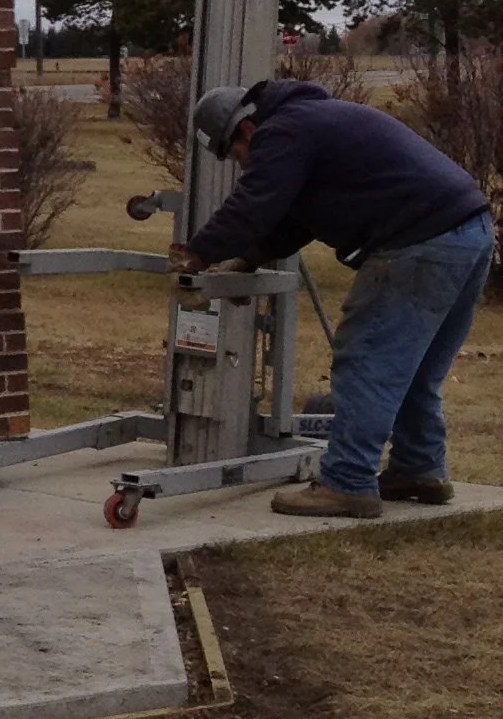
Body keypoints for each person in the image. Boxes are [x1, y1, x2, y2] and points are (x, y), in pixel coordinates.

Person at [173, 76, 491, 518]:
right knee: (414, 367)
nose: (243, 164)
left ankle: (347, 482)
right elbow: (296, 217)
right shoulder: (313, 122)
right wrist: (248, 258)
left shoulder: (282, 130)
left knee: (367, 359)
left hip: (418, 242)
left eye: (235, 154)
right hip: (468, 233)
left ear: (245, 131)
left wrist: (195, 253)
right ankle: (419, 468)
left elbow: (256, 202)